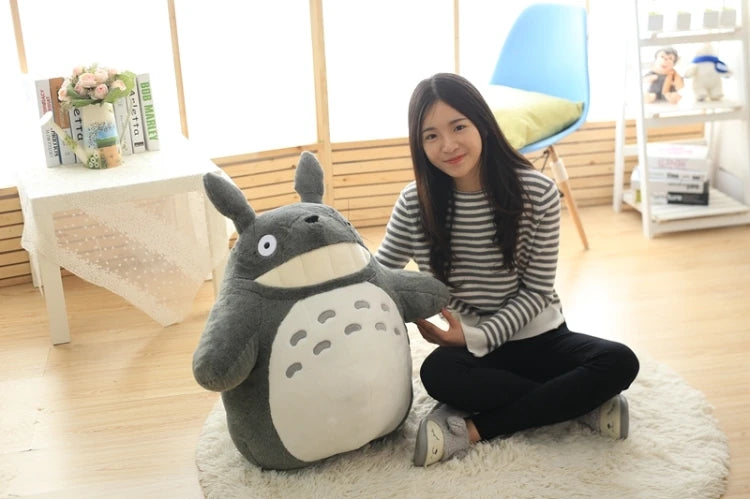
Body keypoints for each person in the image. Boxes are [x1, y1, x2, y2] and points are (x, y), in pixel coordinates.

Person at [374, 73, 640, 467]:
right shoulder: (414, 202)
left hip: (539, 335)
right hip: (468, 351)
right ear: (419, 143)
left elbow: (536, 292)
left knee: (619, 361)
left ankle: (472, 430)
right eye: (431, 135)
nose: (448, 145)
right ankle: (579, 403)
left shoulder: (538, 193)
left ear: (482, 123)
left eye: (458, 127)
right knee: (438, 375)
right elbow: (383, 274)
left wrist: (479, 334)